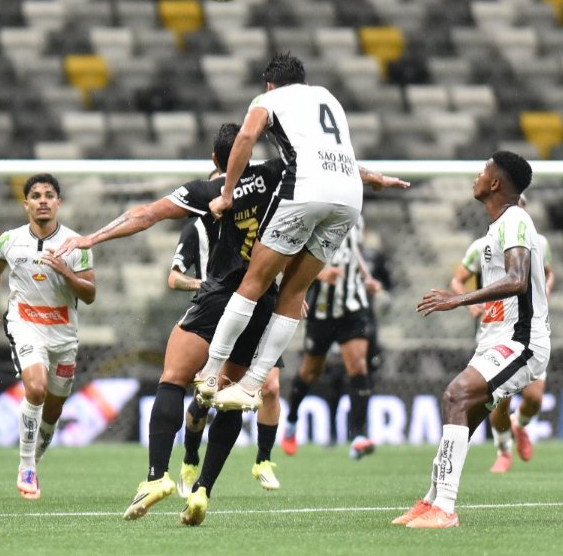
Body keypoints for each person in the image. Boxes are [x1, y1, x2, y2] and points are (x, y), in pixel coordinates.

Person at [56, 123, 405, 525]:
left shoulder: (210, 191)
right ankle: (203, 489)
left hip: (222, 294)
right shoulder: (275, 174)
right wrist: (373, 177)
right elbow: (329, 170)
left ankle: (157, 477)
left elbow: (146, 214)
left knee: (173, 378)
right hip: (264, 304)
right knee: (232, 394)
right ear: (248, 153)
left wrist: (90, 239)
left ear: (213, 159)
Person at [197, 53, 369, 412]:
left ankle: (211, 373)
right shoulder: (328, 99)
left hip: (304, 190)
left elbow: (246, 136)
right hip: (350, 197)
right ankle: (252, 384)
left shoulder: (268, 99)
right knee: (294, 291)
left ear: (270, 84)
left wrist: (227, 194)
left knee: (254, 281)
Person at [396, 151, 550, 530]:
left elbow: (517, 279)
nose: (477, 175)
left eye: (483, 170)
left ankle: (445, 508)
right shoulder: (493, 230)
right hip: (496, 339)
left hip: (521, 341)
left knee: (455, 395)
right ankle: (432, 499)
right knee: (463, 413)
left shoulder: (515, 220)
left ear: (496, 182)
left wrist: (457, 298)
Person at [0, 173, 96, 501]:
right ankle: (26, 466)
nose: (42, 200)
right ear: (26, 204)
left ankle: (34, 462)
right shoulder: (9, 240)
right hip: (25, 324)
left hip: (63, 335)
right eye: (36, 195)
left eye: (49, 195)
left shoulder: (76, 244)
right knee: (36, 389)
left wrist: (66, 273)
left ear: (58, 203)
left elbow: (89, 295)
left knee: (54, 409)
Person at [169, 216, 284, 496]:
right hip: (218, 315)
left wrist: (292, 292)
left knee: (270, 387)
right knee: (211, 393)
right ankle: (190, 459)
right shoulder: (197, 229)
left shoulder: (260, 218)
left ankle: (263, 460)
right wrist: (204, 286)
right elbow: (173, 277)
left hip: (260, 312)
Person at [449, 196, 555, 474]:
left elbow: (547, 273)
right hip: (497, 330)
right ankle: (503, 450)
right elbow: (458, 279)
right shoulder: (481, 245)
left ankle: (519, 425)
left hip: (530, 330)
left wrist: (546, 292)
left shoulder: (539, 242)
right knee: (498, 398)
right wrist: (470, 303)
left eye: (521, 203)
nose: (517, 208)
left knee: (534, 398)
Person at [280, 219, 382, 460]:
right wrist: (320, 273)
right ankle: (292, 420)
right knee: (310, 371)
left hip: (352, 305)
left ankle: (357, 436)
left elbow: (354, 251)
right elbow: (289, 258)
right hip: (321, 309)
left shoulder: (357, 215)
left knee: (358, 366)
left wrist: (366, 277)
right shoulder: (315, 214)